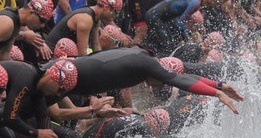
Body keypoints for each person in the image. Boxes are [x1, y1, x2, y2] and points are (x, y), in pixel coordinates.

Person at [44, 47, 244, 114]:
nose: (163, 84)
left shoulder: (143, 57)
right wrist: (216, 93)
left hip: (68, 78)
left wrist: (220, 85)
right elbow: (180, 80)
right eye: (164, 81)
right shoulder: (146, 65)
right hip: (61, 79)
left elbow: (182, 76)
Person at [46, 0, 123, 55]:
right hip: (50, 54)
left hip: (62, 53)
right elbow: (82, 54)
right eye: (115, 12)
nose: (115, 16)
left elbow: (95, 47)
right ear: (106, 8)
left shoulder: (96, 18)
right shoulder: (86, 19)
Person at [78, 108, 170, 138]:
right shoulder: (144, 126)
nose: (156, 135)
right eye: (159, 131)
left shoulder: (137, 117)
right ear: (156, 125)